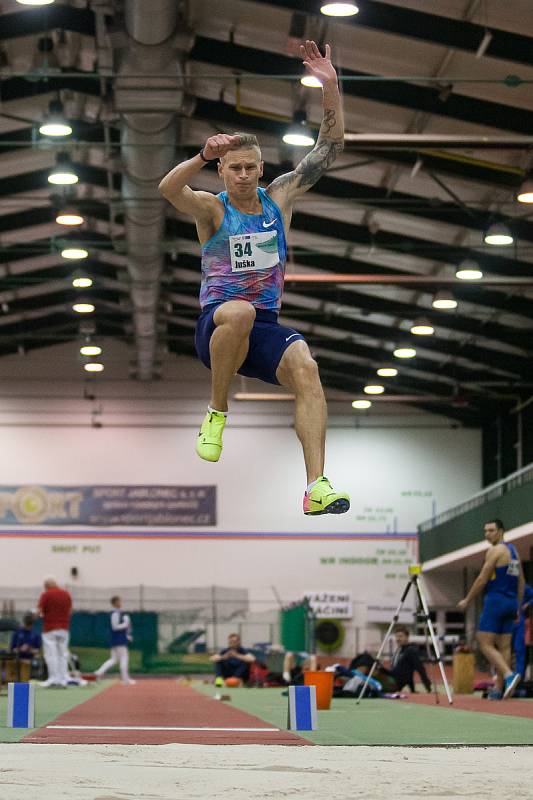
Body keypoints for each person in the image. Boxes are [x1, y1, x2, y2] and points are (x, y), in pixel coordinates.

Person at [159, 40, 349, 516]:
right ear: (222, 171)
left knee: (306, 365)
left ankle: (316, 486)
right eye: (233, 168)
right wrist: (200, 155)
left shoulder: (278, 198)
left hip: (263, 325)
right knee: (239, 311)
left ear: (261, 169)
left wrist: (331, 87)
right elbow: (167, 188)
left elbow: (330, 147)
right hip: (217, 325)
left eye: (250, 167)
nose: (243, 175)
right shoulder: (210, 207)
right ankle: (216, 413)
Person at [458, 519, 524, 699]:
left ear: (501, 531)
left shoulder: (495, 550)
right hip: (510, 602)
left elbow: (482, 578)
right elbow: (521, 581)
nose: (487, 534)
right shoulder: (513, 551)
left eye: (491, 530)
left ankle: (509, 676)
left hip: (496, 600)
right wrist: (517, 606)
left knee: (484, 642)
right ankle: (498, 689)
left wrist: (467, 600)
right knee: (503, 646)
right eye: (485, 531)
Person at [347, 628, 432, 693]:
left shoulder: (411, 651)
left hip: (394, 683)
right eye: (397, 636)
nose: (398, 639)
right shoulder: (400, 650)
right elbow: (407, 671)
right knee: (364, 657)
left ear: (407, 637)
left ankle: (350, 676)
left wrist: (428, 688)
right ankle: (350, 675)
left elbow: (420, 669)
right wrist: (412, 690)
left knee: (366, 658)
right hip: (391, 677)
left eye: (401, 636)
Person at [37, 576, 72, 688]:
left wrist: (39, 615)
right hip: (64, 628)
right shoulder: (67, 594)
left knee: (51, 654)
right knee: (63, 654)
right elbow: (70, 611)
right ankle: (64, 677)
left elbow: (39, 611)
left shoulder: (46, 595)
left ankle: (54, 678)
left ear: (46, 586)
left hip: (50, 628)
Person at [94, 596, 136, 685]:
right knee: (124, 658)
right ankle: (125, 680)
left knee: (114, 660)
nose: (121, 603)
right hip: (118, 640)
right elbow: (115, 627)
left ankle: (99, 672)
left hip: (118, 639)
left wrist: (127, 635)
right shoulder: (115, 614)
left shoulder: (118, 613)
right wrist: (125, 624)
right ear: (115, 603)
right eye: (119, 601)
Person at [8, 612, 41, 682]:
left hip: (30, 660)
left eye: (29, 625)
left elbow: (37, 651)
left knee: (29, 663)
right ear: (24, 623)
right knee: (10, 662)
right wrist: (20, 649)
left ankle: (27, 680)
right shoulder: (17, 633)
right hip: (17, 658)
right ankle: (9, 680)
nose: (28, 627)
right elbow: (12, 649)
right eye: (27, 624)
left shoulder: (35, 634)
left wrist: (29, 649)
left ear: (32, 624)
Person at [511, 582, 533, 679]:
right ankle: (504, 678)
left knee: (519, 650)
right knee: (504, 650)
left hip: (519, 621)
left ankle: (518, 679)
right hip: (506, 621)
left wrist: (528, 604)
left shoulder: (523, 587)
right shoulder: (504, 586)